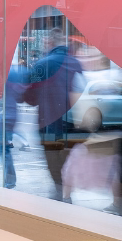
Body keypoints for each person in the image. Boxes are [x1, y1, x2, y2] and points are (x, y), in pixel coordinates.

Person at [21, 32, 85, 200]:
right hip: (72, 126)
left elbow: (29, 96)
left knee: (54, 163)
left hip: (48, 123)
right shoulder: (76, 63)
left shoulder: (42, 65)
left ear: (49, 43)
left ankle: (60, 195)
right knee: (67, 160)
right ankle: (67, 194)